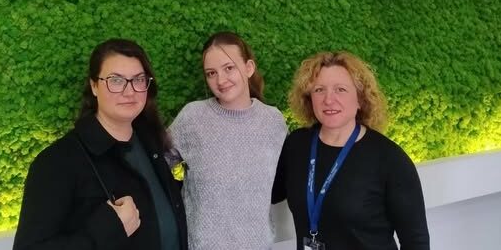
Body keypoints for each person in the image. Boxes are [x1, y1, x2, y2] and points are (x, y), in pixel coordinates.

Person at [13, 38, 187, 250]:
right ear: (94, 86)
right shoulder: (58, 162)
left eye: (139, 79)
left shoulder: (150, 142)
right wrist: (107, 229)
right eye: (116, 80)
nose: (129, 91)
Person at [272, 51, 430, 250]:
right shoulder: (297, 145)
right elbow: (268, 193)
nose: (328, 99)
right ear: (309, 99)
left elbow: (416, 242)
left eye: (341, 89)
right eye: (319, 90)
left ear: (360, 99)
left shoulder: (390, 159)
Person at [168, 31, 288, 250]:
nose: (221, 80)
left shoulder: (273, 121)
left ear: (249, 68)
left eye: (229, 68)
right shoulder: (192, 118)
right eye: (211, 73)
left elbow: (280, 179)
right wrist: (188, 176)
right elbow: (168, 162)